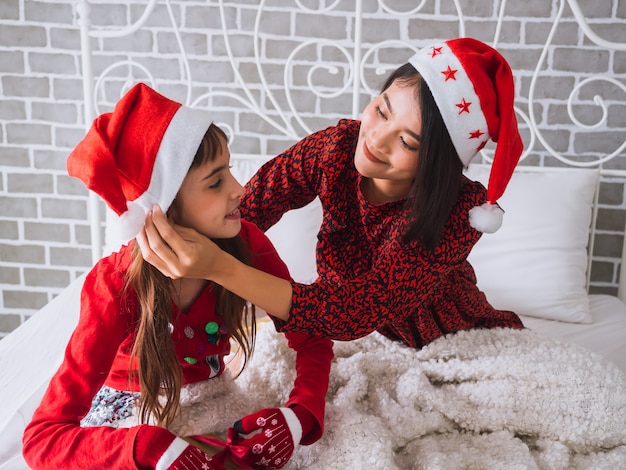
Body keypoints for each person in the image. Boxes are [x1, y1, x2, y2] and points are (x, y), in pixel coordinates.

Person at [137, 37, 525, 349]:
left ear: (438, 163)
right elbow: (252, 206)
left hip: (449, 340)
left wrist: (220, 267)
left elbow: (353, 311)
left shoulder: (457, 214)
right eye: (382, 111)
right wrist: (173, 243)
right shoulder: (337, 147)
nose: (376, 138)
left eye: (407, 141)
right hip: (364, 335)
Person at [22, 83, 333, 470]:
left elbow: (312, 334)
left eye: (230, 171)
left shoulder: (246, 243)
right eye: (215, 181)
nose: (239, 190)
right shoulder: (114, 285)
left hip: (214, 398)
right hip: (133, 416)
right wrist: (148, 445)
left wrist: (300, 414)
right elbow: (41, 438)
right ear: (163, 208)